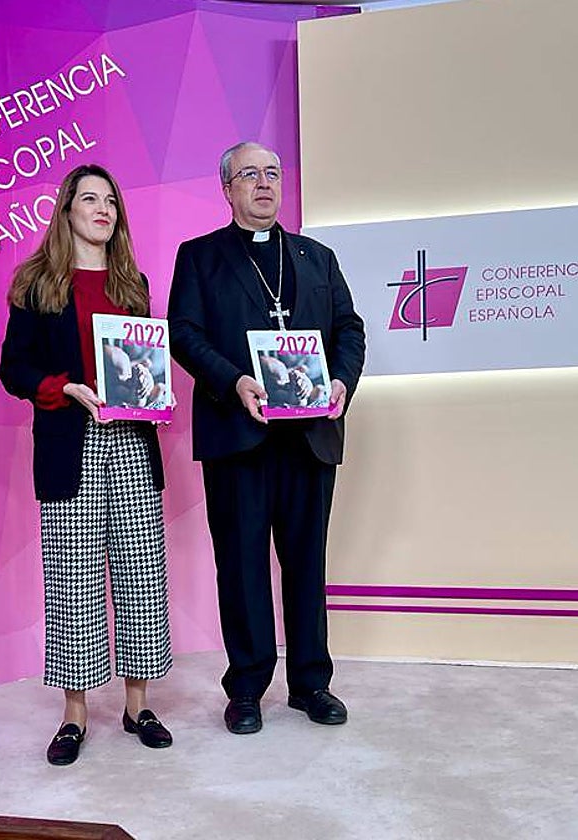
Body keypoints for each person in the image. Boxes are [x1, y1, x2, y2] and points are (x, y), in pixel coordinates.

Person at [167, 141, 366, 734]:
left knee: (307, 562)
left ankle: (311, 684)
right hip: (239, 434)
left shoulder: (316, 257)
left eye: (272, 173)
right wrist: (234, 381)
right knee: (243, 564)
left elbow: (349, 329)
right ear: (226, 189)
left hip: (309, 437)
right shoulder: (200, 257)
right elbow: (184, 332)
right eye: (249, 174)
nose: (264, 183)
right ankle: (248, 687)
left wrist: (340, 383)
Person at [0, 164, 173, 765]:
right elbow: (11, 369)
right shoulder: (36, 282)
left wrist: (155, 393)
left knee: (141, 576)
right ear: (67, 209)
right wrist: (62, 387)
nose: (103, 209)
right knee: (73, 584)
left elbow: (144, 363)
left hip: (130, 439)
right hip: (71, 442)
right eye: (90, 198)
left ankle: (137, 705)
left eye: (111, 201)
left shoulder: (133, 282)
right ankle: (75, 714)